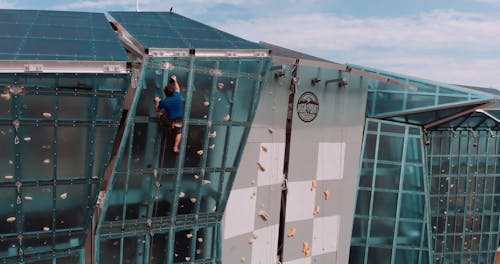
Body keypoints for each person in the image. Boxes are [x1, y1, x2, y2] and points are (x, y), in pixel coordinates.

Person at [154, 75, 183, 153]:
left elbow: (157, 109)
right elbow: (178, 89)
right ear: (173, 92)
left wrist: (157, 101)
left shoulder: (164, 102)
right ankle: (176, 147)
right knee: (179, 133)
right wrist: (175, 80)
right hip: (179, 119)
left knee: (159, 114)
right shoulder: (177, 96)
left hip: (169, 120)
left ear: (165, 93)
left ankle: (167, 127)